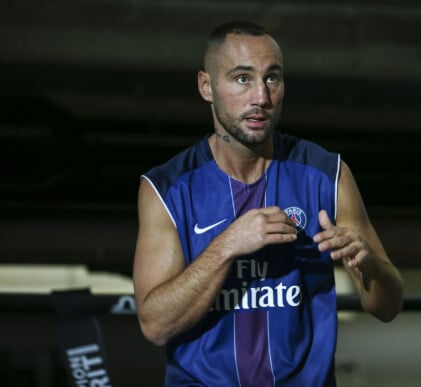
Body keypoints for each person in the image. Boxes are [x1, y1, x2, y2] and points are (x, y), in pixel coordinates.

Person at [132, 20, 404, 386]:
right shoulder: (165, 188)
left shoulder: (326, 174)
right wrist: (228, 245)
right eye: (243, 78)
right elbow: (155, 325)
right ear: (206, 86)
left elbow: (387, 307)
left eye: (272, 78)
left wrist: (369, 263)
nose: (261, 96)